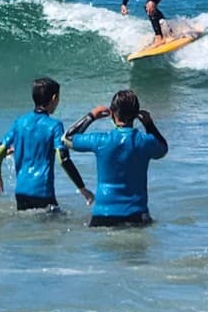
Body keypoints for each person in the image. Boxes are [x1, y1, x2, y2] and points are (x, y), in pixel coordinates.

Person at [62, 89, 167, 226]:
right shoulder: (145, 142)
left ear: (111, 114)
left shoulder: (101, 141)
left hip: (102, 217)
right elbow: (163, 149)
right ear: (136, 116)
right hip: (136, 216)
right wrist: (149, 124)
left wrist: (91, 116)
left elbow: (67, 139)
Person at [0, 76, 94, 210]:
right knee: (53, 228)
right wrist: (82, 188)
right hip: (43, 192)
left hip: (21, 192)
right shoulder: (54, 126)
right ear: (54, 98)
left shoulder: (20, 122)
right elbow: (63, 159)